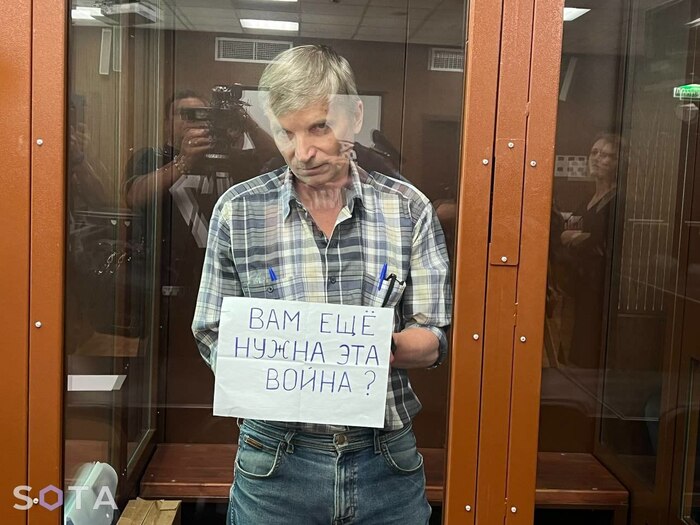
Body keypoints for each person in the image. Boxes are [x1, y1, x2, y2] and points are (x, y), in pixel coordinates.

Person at [192, 45, 452, 524]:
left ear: (355, 117)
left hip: (384, 461)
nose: (303, 152)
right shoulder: (238, 211)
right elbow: (211, 331)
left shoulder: (408, 209)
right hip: (275, 461)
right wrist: (269, 366)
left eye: (318, 128)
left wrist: (369, 349)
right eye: (284, 133)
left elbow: (434, 338)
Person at [560, 133, 621, 368]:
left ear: (618, 162)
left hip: (602, 285)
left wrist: (582, 237)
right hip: (581, 282)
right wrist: (580, 236)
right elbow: (568, 231)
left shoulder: (619, 199)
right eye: (594, 152)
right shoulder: (588, 198)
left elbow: (601, 238)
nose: (597, 158)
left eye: (605, 155)